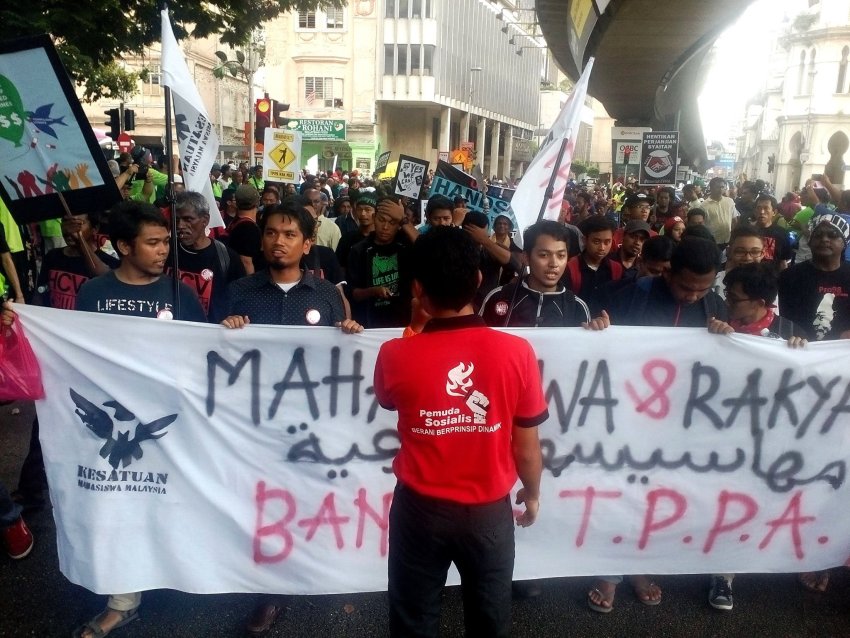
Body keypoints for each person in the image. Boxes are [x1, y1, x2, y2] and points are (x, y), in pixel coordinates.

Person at [373, 226, 547, 638]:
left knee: (414, 617)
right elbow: (526, 445)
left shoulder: (396, 354)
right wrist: (533, 492)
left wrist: (415, 329)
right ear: (477, 280)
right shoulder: (517, 353)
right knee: (490, 616)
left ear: (417, 287)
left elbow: (389, 400)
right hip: (488, 513)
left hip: (419, 511)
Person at [222, 203, 362, 638]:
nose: (277, 241)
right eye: (270, 233)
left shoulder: (324, 295)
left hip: (310, 421)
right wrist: (227, 328)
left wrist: (350, 333)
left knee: (308, 496)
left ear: (307, 243)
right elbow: (209, 352)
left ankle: (317, 567)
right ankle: (270, 588)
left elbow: (340, 354)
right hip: (255, 422)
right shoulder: (240, 292)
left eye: (288, 234)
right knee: (264, 500)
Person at [71, 201, 205, 638]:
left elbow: (204, 358)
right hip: (114, 435)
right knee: (118, 506)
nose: (164, 250)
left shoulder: (180, 294)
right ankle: (122, 600)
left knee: (168, 502)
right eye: (152, 243)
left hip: (170, 426)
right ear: (123, 246)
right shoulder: (92, 294)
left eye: (166, 241)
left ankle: (176, 573)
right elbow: (72, 358)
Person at [705, 262, 808, 610]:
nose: (727, 304)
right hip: (722, 438)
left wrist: (802, 355)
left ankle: (741, 569)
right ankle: (720, 573)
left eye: (734, 299)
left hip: (770, 442)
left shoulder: (790, 332)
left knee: (754, 505)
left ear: (761, 301)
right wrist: (711, 341)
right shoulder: (719, 329)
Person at [172, 191, 245, 323]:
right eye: (176, 219)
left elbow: (241, 300)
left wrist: (234, 319)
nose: (180, 226)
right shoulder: (166, 251)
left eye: (188, 219)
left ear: (205, 220)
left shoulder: (226, 257)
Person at [778, 213, 850, 341]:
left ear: (844, 242)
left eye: (832, 235)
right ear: (810, 241)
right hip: (801, 351)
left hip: (843, 354)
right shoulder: (789, 277)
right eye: (818, 235)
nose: (824, 239)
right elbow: (785, 319)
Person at [347, 198, 412, 328]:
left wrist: (404, 219)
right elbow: (353, 293)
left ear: (399, 225)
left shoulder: (406, 247)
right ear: (374, 217)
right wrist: (372, 291)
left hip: (401, 324)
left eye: (392, 222)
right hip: (368, 325)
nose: (385, 227)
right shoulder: (358, 250)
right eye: (381, 220)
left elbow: (428, 248)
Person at [227, 185, 263, 275]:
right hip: (245, 281)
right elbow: (246, 261)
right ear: (257, 202)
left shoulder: (236, 221)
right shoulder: (248, 228)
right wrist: (250, 285)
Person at [751, 193, 793, 269]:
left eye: (766, 208)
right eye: (759, 208)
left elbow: (783, 262)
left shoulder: (782, 233)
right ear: (754, 211)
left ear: (774, 212)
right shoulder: (747, 232)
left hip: (772, 278)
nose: (762, 212)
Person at [701, 177, 737, 246]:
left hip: (728, 240)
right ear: (711, 188)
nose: (720, 189)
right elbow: (702, 225)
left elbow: (734, 220)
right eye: (717, 187)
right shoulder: (703, 206)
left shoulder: (729, 201)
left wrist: (731, 234)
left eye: (722, 187)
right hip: (712, 242)